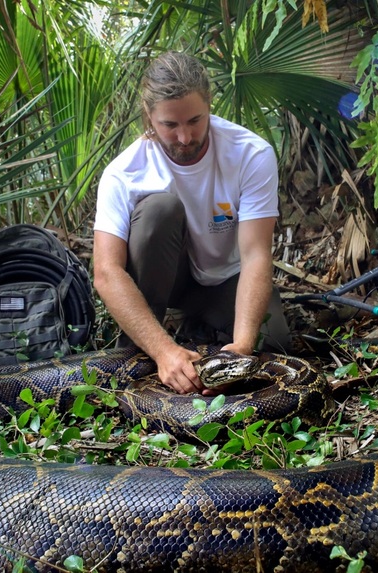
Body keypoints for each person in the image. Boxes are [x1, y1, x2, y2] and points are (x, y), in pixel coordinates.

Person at [93, 51, 291, 395]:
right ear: (149, 117)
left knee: (273, 343)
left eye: (195, 121)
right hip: (168, 283)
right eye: (170, 125)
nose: (185, 138)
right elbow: (107, 272)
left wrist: (241, 348)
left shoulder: (250, 154)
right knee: (158, 210)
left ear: (209, 105)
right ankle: (137, 350)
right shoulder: (123, 173)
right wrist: (163, 351)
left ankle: (200, 327)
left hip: (226, 279)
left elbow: (257, 255)